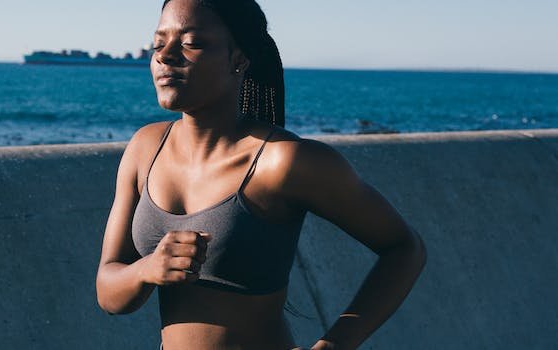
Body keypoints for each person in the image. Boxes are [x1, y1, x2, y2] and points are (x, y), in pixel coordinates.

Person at [96, 0, 427, 349]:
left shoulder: (283, 162)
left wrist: (335, 345)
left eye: (191, 42)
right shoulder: (145, 149)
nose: (166, 55)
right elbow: (109, 294)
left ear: (239, 59)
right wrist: (148, 268)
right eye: (158, 43)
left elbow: (405, 248)